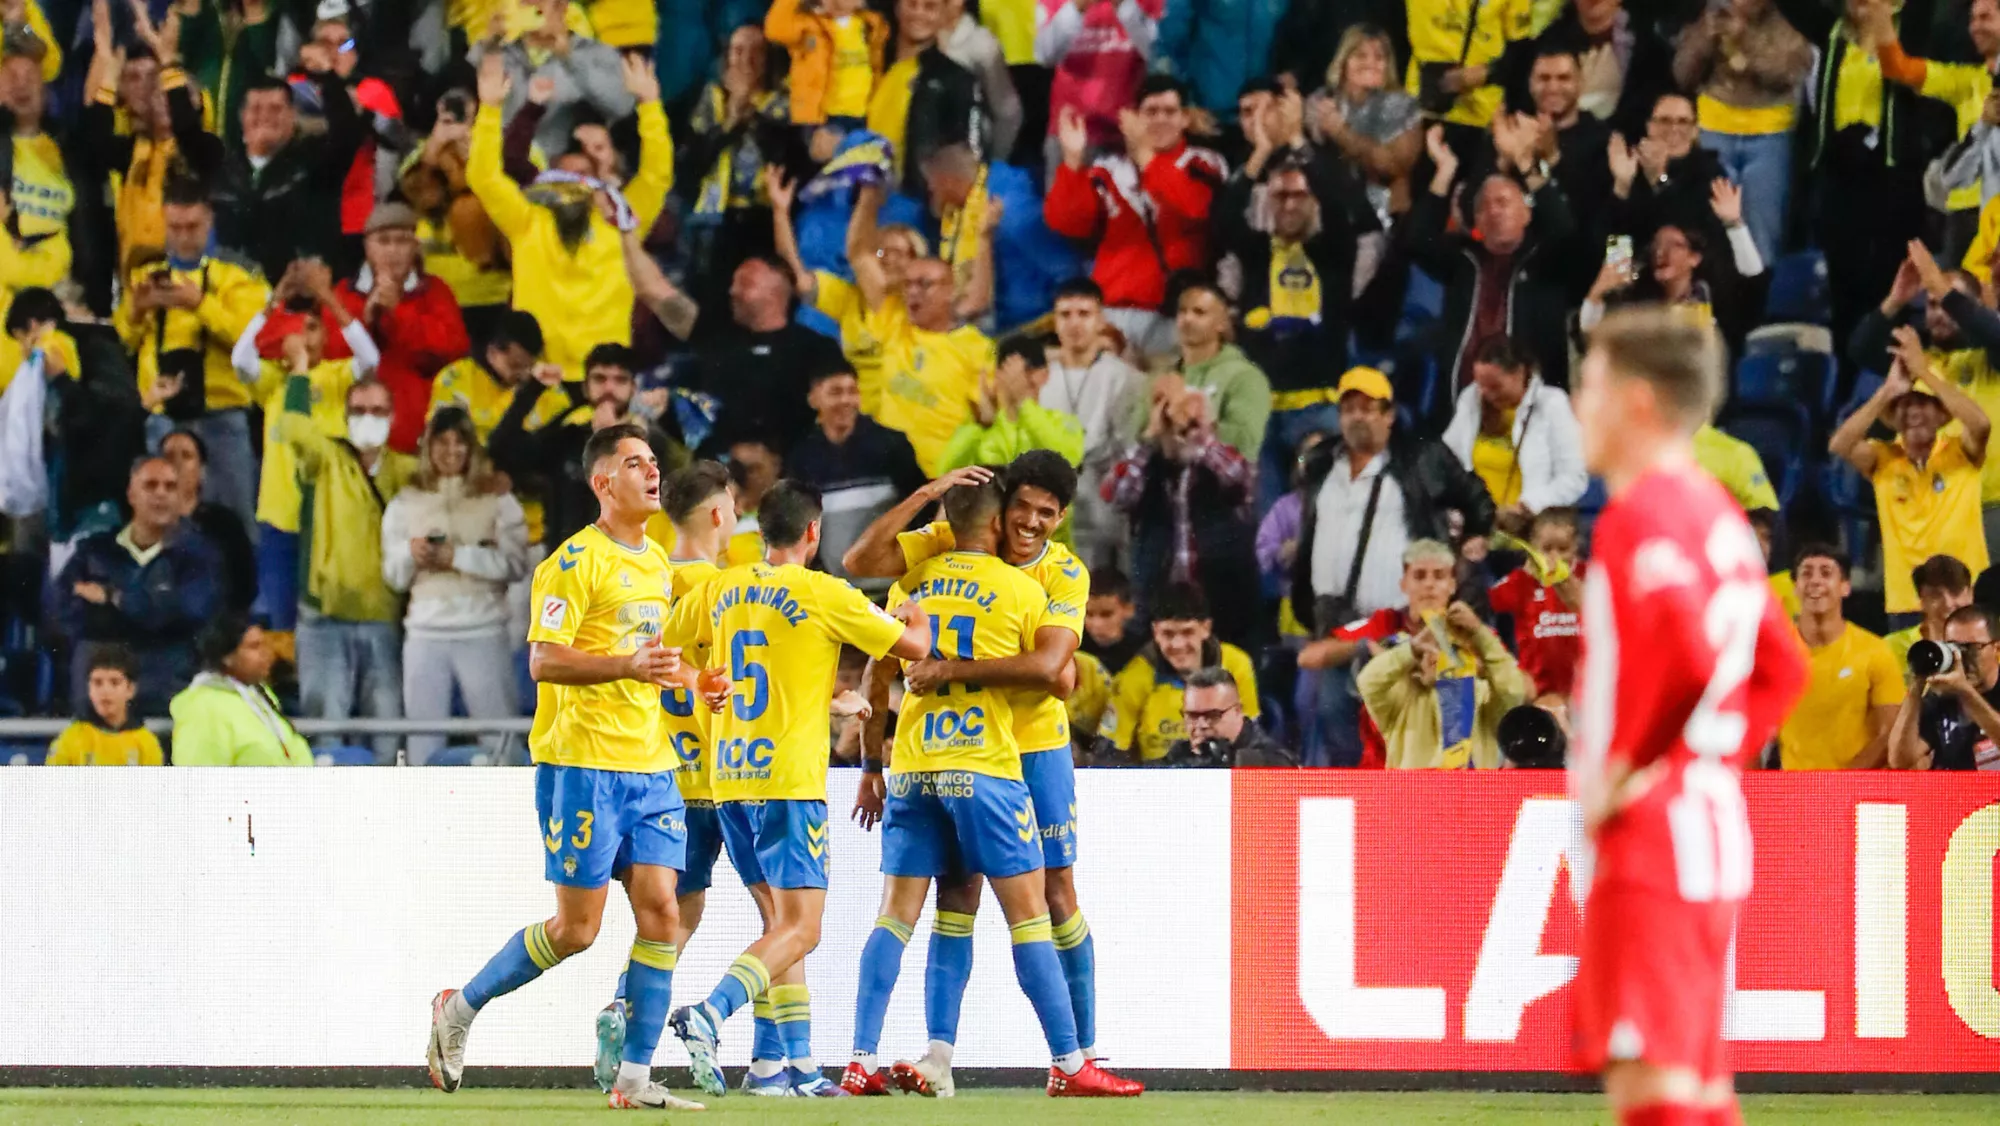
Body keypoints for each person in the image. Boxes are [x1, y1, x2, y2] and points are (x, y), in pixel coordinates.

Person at [1568, 307, 1807, 1126]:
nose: (1577, 406)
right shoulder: (1720, 517)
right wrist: (1712, 764)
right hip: (1710, 830)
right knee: (1699, 1097)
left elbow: (1688, 657)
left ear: (1637, 403)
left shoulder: (1640, 515)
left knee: (1653, 1096)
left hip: (1651, 844)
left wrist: (1628, 770)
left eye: (1589, 386)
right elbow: (1781, 667)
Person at [426, 423, 706, 1111]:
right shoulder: (573, 564)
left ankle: (635, 1079)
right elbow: (544, 659)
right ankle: (459, 1009)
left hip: (651, 767)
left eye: (653, 463)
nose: (651, 473)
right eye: (634, 463)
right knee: (577, 931)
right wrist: (627, 665)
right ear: (601, 482)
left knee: (663, 912)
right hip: (582, 765)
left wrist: (695, 680)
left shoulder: (658, 565)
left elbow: (652, 656)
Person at [846, 474, 1142, 1098]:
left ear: (1060, 517)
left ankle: (1083, 1048)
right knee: (975, 897)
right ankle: (961, 1058)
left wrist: (942, 674)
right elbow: (861, 559)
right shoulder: (970, 554)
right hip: (990, 755)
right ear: (998, 514)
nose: (1030, 523)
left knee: (1055, 890)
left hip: (1023, 750)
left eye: (1046, 513)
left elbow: (1051, 677)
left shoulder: (1061, 572)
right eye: (1022, 509)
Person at [664, 481, 931, 1099]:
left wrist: (702, 680)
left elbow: (660, 650)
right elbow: (913, 649)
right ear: (814, 532)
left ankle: (795, 1070)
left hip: (728, 779)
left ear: (760, 532)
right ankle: (711, 1011)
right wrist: (915, 617)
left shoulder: (720, 588)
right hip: (788, 781)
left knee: (781, 926)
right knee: (802, 928)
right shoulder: (824, 593)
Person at [589, 460, 773, 1092]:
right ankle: (783, 1061)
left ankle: (623, 1004)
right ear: (721, 514)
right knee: (785, 920)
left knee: (674, 920)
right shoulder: (726, 590)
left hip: (663, 778)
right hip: (728, 775)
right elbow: (745, 683)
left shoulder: (651, 579)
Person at [1291, 366, 1495, 765]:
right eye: (1348, 408)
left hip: (1399, 622)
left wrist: (1477, 533)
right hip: (1335, 616)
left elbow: (1474, 493)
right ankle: (1355, 803)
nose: (1357, 416)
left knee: (1397, 718)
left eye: (1368, 407)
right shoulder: (1320, 462)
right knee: (1331, 712)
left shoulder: (1422, 455)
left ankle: (1392, 807)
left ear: (1389, 414)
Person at [467, 52, 671, 378]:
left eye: (582, 179)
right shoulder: (528, 220)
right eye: (563, 178)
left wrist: (649, 104)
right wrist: (489, 110)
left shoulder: (622, 221)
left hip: (605, 379)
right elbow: (484, 177)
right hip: (544, 378)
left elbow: (656, 174)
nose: (572, 186)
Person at [112, 178, 270, 533]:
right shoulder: (145, 274)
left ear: (210, 220)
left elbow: (252, 339)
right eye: (175, 228)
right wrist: (137, 310)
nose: (183, 237)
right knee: (158, 524)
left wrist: (199, 304)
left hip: (222, 416)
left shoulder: (239, 275)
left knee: (234, 526)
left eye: (193, 227)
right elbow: (123, 341)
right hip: (162, 417)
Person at [380, 408, 530, 765]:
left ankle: (512, 814)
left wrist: (457, 557)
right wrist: (411, 554)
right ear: (428, 447)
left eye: (460, 443)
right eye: (442, 442)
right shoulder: (405, 500)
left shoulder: (498, 498)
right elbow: (393, 576)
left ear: (472, 448)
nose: (451, 451)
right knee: (422, 741)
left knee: (500, 739)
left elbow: (515, 564)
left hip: (483, 631)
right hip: (424, 633)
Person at [1043, 77, 1226, 361]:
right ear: (1134, 119)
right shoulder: (1108, 169)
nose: (1160, 120)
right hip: (1112, 310)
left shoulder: (1203, 163)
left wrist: (1145, 156)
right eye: (1151, 112)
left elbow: (1193, 208)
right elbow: (1068, 222)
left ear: (1185, 119)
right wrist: (1072, 160)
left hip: (1172, 313)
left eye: (1170, 112)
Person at [283, 373, 416, 761]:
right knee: (326, 734)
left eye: (377, 410)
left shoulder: (408, 472)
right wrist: (300, 371)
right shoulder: (325, 459)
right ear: (344, 417)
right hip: (325, 620)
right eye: (358, 410)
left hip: (385, 620)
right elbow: (292, 427)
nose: (367, 418)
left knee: (389, 733)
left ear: (392, 417)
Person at [623, 227, 848, 451]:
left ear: (779, 287)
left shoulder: (814, 348)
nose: (733, 291)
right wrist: (627, 233)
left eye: (746, 283)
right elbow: (653, 291)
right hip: (718, 469)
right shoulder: (715, 333)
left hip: (790, 469)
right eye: (733, 283)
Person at [1829, 327, 1991, 621]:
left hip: (1964, 599)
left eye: (1923, 403)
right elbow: (1840, 444)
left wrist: (1924, 373)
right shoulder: (1883, 459)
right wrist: (1887, 392)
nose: (1913, 412)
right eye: (1905, 405)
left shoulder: (1961, 452)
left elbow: (1980, 424)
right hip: (1907, 604)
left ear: (1942, 414)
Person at [1850, 242, 2000, 559]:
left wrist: (1941, 287)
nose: (1939, 312)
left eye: (1947, 303)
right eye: (1931, 304)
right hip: (1929, 510)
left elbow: (1991, 331)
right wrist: (1895, 301)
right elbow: (1860, 350)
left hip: (1990, 508)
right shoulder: (1919, 359)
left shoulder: (1990, 357)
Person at [1406, 125, 1576, 399]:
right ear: (1477, 223)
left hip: (1529, 418)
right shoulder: (1463, 261)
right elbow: (1417, 239)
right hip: (1463, 412)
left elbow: (1563, 227)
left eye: (1503, 202)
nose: (1494, 210)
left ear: (1527, 213)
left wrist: (1524, 162)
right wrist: (1445, 170)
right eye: (1484, 206)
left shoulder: (1545, 260)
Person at [51, 456, 222, 718]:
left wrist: (112, 597)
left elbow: (187, 613)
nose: (161, 494)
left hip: (167, 697)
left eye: (170, 486)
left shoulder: (198, 557)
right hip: (99, 702)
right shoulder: (94, 551)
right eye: (151, 485)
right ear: (131, 494)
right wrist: (150, 611)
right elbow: (61, 611)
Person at [1105, 361, 1262, 646]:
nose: (1174, 427)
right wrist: (1151, 436)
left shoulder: (1219, 459)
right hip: (1158, 605)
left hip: (1221, 605)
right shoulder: (1147, 463)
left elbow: (1240, 479)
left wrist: (1197, 432)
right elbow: (1117, 495)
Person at [850, 185, 997, 476]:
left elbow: (990, 419)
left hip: (939, 480)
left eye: (925, 285)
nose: (914, 292)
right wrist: (869, 194)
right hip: (883, 472)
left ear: (949, 291)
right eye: (909, 285)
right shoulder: (894, 321)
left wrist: (983, 237)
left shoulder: (974, 347)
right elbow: (860, 255)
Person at [488, 345, 688, 552]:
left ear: (633, 389)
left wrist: (617, 441)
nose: (609, 388)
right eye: (600, 379)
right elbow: (501, 452)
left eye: (620, 380)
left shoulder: (653, 443)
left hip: (629, 571)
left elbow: (681, 487)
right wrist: (532, 390)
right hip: (567, 569)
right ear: (585, 388)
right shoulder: (568, 433)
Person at [1672, 0, 1814, 265]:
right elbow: (1682, 74)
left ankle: (1759, 301)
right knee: (1711, 234)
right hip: (1713, 130)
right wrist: (1705, 38)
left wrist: (1745, 37)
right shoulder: (1710, 13)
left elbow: (1789, 72)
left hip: (1770, 136)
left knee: (1764, 238)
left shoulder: (1788, 16)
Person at [331, 202, 471, 455]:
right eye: (383, 241)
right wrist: (365, 321)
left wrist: (399, 311)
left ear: (415, 247)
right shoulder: (343, 294)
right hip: (350, 442)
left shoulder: (435, 292)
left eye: (402, 241)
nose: (393, 250)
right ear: (367, 246)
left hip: (415, 438)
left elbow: (453, 351)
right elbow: (329, 356)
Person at [209, 65, 365, 280]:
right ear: (241, 116)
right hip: (233, 292)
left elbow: (347, 135)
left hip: (300, 293)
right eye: (256, 109)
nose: (265, 116)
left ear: (293, 115)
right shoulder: (221, 169)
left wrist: (329, 79)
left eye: (275, 109)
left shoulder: (316, 161)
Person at [1356, 577, 1529, 769]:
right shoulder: (1401, 701)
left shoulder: (1483, 698)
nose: (1437, 656)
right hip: (1414, 796)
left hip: (1474, 796)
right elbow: (1368, 681)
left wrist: (1480, 634)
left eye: (1448, 650)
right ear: (1417, 663)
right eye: (1427, 650)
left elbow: (1513, 689)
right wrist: (1411, 650)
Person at [787, 367, 927, 595]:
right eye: (835, 392)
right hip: (835, 594)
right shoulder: (802, 458)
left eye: (852, 391)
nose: (846, 400)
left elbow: (921, 511)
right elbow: (800, 526)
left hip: (894, 592)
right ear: (814, 398)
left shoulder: (892, 446)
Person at [1041, 278, 1146, 569]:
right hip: (1050, 501)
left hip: (1105, 500)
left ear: (1101, 320)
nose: (1074, 323)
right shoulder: (1037, 377)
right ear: (1054, 321)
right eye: (1065, 314)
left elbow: (1132, 449)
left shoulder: (1126, 378)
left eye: (1084, 314)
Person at [1102, 582, 1261, 763]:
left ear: (1205, 628)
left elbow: (1251, 738)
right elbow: (1111, 751)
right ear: (1155, 632)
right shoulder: (1133, 677)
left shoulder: (1237, 664)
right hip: (1158, 779)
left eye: (1187, 632)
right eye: (1168, 634)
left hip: (1222, 774)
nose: (1177, 645)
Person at [1777, 545, 1902, 770]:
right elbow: (1753, 734)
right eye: (1806, 573)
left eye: (1826, 573)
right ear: (1795, 587)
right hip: (1793, 795)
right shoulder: (1774, 653)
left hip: (1857, 792)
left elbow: (1891, 732)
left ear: (1845, 587)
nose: (1815, 581)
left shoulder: (1875, 651)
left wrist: (1840, 785)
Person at [469, 0, 637, 158]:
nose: (530, 4)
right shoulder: (495, 49)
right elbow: (466, 91)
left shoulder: (594, 53)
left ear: (562, 6)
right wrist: (492, 46)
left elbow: (622, 106)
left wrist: (569, 57)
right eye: (524, 1)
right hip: (496, 163)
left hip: (560, 168)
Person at [1441, 334, 1588, 516]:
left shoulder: (1552, 404)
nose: (1486, 394)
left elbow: (1573, 479)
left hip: (1528, 525)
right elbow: (1446, 461)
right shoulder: (1471, 399)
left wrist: (1528, 506)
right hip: (1475, 524)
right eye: (1481, 384)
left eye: (1495, 386)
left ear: (1519, 372)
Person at [1307, 25, 1422, 232]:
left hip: (1385, 216)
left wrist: (1341, 132)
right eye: (1360, 56)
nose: (1371, 63)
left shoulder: (1403, 105)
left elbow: (1391, 166)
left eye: (1379, 57)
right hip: (1331, 211)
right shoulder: (1322, 100)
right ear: (1344, 62)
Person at [168, 611, 311, 767]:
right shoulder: (203, 708)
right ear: (227, 657)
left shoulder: (260, 696)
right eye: (254, 647)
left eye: (265, 644)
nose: (266, 653)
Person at [938, 335, 1084, 473]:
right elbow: (944, 473)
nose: (1014, 380)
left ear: (1044, 375)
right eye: (1006, 371)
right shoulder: (981, 428)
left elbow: (1069, 461)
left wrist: (1023, 404)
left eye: (1025, 372)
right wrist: (979, 425)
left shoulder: (1061, 421)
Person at [1486, 507, 1584, 703]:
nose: (1555, 557)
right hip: (1536, 695)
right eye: (1547, 549)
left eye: (1563, 549)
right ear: (1533, 547)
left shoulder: (1589, 576)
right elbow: (1484, 605)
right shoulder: (1523, 581)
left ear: (1576, 546)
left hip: (1582, 694)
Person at [1888, 603, 2000, 770]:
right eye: (1954, 648)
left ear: (1996, 649)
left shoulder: (1961, 689)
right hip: (1951, 793)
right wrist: (1917, 684)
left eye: (1972, 648)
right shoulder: (1942, 694)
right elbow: (1900, 759)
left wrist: (1966, 692)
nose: (1962, 658)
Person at [158, 427, 256, 614]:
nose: (177, 463)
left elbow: (244, 589)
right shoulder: (142, 524)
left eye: (186, 456)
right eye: (169, 456)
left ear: (201, 470)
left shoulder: (225, 524)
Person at [764, 0, 889, 128]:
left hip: (863, 115)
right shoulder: (808, 25)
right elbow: (775, 29)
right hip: (822, 119)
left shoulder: (872, 24)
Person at [46, 645, 163, 766]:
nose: (105, 691)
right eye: (97, 683)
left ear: (130, 689)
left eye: (114, 682)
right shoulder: (70, 740)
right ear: (89, 689)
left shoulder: (147, 744)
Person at [1158, 667, 1295, 767]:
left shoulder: (1271, 761)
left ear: (1237, 711)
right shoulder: (1182, 752)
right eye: (1192, 715)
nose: (1201, 724)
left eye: (1212, 715)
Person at [1884, 554, 1976, 678]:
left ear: (1971, 594)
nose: (1948, 604)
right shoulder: (1892, 647)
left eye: (1955, 592)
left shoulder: (1993, 640)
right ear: (1921, 600)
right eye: (1936, 595)